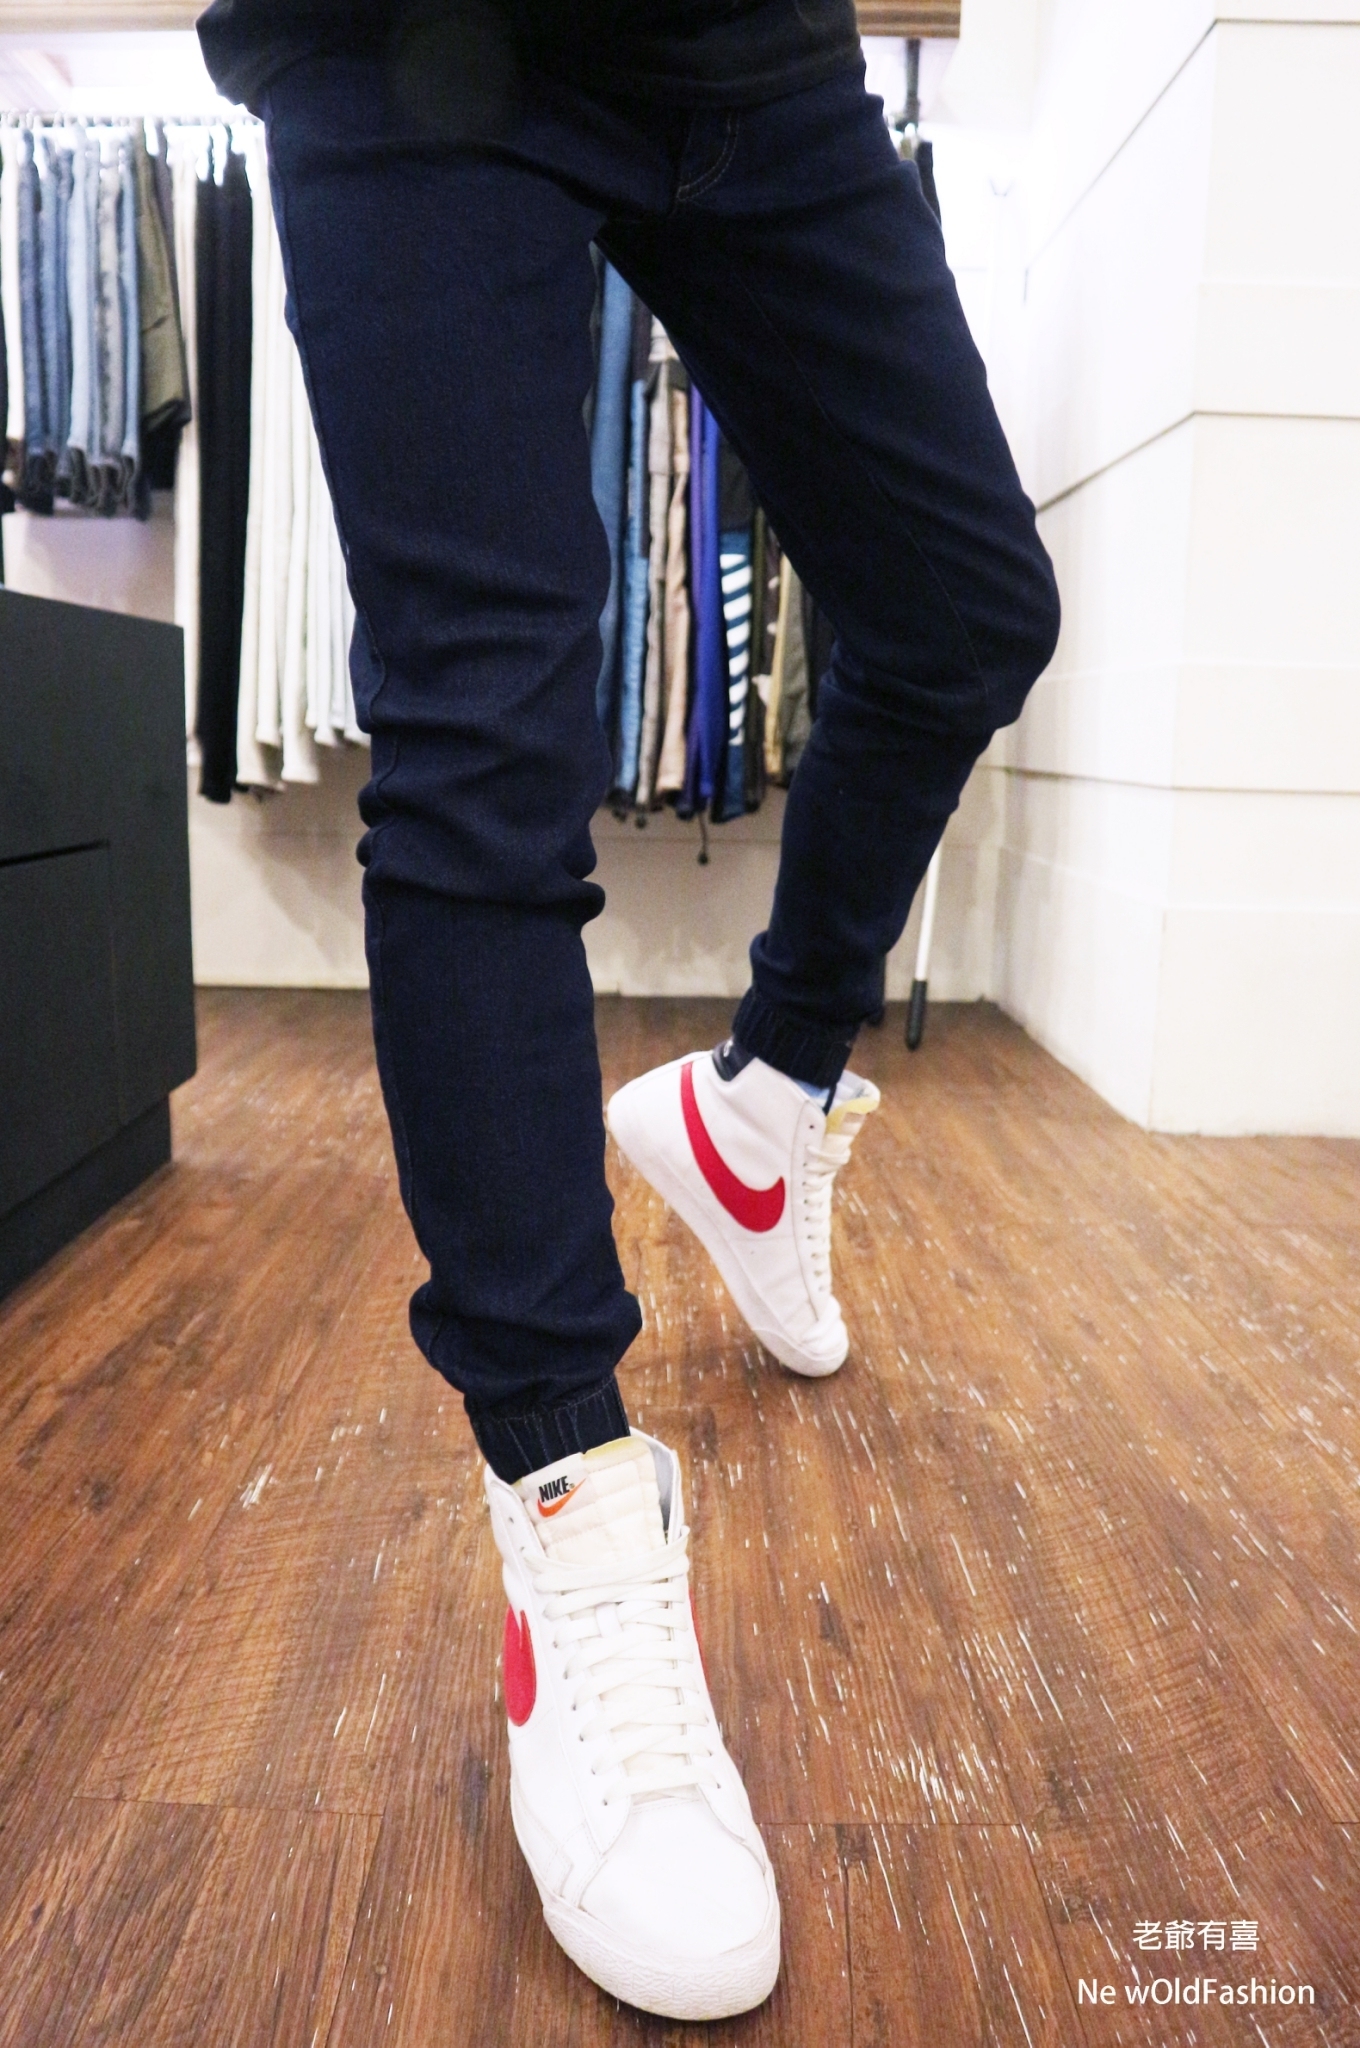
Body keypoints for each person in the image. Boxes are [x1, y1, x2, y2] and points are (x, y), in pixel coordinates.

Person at [196, 0, 1061, 2020]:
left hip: (750, 50)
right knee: (486, 733)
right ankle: (564, 1498)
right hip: (401, 37)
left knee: (964, 608)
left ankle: (759, 1107)